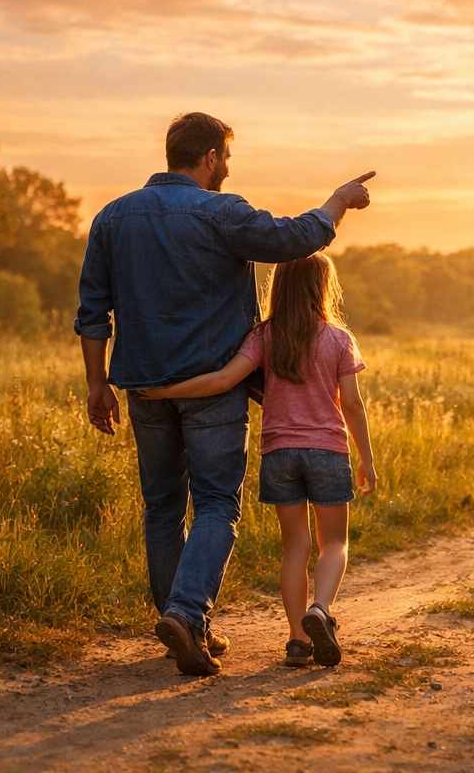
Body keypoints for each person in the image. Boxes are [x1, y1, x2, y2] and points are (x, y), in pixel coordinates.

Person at [74, 111, 374, 677]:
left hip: (145, 388)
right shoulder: (221, 213)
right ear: (210, 157)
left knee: (161, 507)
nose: (227, 171)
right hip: (214, 385)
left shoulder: (111, 219)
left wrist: (97, 383)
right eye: (225, 160)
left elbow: (93, 313)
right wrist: (336, 201)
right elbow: (295, 239)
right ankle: (187, 615)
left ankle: (185, 625)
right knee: (216, 503)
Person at [139, 252, 375, 668]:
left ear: (279, 286)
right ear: (324, 287)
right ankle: (320, 610)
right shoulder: (338, 339)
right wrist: (367, 459)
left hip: (278, 454)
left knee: (295, 546)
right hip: (328, 452)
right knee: (334, 542)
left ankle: (298, 640)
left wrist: (162, 393)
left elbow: (225, 380)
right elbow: (352, 404)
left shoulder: (264, 337)